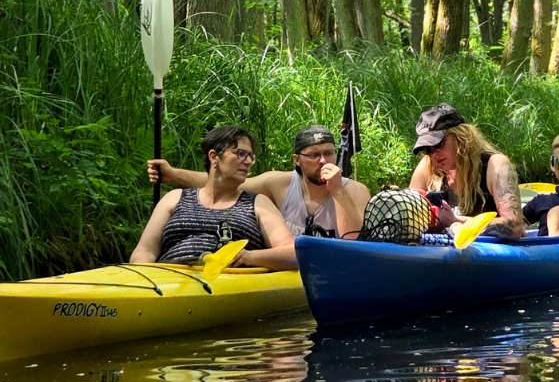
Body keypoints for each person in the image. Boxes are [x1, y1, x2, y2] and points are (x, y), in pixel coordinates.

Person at [148, 124, 370, 239]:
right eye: (313, 155)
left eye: (329, 153)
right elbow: (225, 181)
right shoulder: (278, 183)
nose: (323, 161)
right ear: (297, 160)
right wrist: (173, 175)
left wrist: (338, 190)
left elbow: (353, 240)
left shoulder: (355, 190)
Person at [131, 125, 297, 269]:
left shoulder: (258, 203)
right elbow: (145, 251)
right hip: (171, 283)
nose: (248, 162)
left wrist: (250, 257)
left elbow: (291, 252)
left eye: (250, 156)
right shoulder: (174, 198)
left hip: (229, 284)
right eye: (240, 154)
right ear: (214, 157)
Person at [408, 103, 525, 239]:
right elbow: (408, 215)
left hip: (487, 255)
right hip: (442, 254)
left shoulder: (495, 165)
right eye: (427, 149)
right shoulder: (427, 167)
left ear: (461, 136)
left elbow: (515, 226)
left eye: (438, 144)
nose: (434, 154)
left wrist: (457, 221)